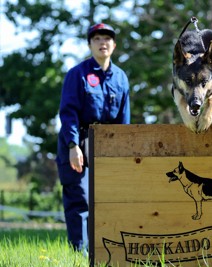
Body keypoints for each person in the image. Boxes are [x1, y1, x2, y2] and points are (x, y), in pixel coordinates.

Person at [56, 23, 130, 252]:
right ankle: (80, 254)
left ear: (114, 45)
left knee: (110, 199)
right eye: (97, 38)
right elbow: (68, 113)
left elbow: (124, 121)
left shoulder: (121, 78)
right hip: (78, 140)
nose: (102, 43)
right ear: (90, 44)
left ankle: (106, 252)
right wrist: (72, 146)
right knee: (81, 198)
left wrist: (122, 153)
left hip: (106, 144)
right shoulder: (77, 74)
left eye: (107, 39)